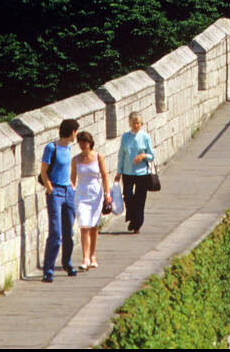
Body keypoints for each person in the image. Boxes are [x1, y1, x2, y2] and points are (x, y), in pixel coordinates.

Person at [39, 118, 81, 282]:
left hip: (68, 192)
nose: (76, 135)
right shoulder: (51, 148)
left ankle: (67, 263)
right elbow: (43, 171)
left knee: (68, 232)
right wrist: (50, 189)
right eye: (75, 132)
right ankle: (48, 269)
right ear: (71, 132)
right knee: (55, 232)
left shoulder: (69, 148)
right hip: (55, 192)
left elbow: (67, 170)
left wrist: (71, 186)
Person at [71, 130, 112, 270]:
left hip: (95, 194)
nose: (82, 145)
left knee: (93, 226)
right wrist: (70, 192)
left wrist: (107, 193)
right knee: (84, 225)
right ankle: (85, 258)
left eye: (85, 142)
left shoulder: (98, 156)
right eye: (80, 142)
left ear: (90, 143)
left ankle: (93, 255)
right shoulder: (75, 160)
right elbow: (72, 179)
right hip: (82, 194)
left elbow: (105, 175)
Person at [116, 111, 156, 235]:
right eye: (134, 123)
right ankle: (132, 218)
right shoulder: (125, 137)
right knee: (128, 196)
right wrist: (119, 171)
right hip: (128, 173)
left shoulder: (145, 137)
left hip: (141, 174)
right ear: (130, 123)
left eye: (138, 123)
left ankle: (137, 224)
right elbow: (121, 155)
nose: (136, 125)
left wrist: (143, 155)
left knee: (140, 199)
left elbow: (151, 155)